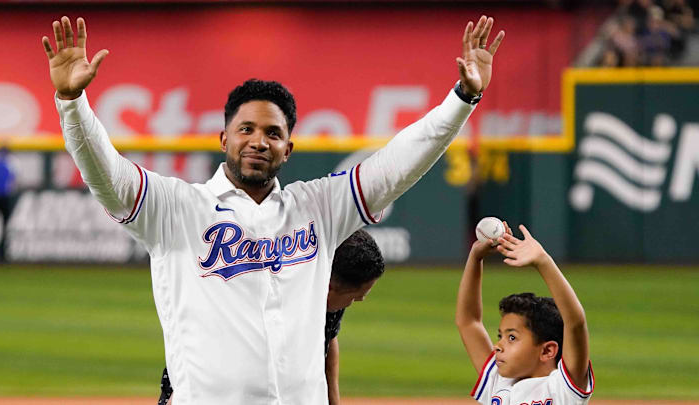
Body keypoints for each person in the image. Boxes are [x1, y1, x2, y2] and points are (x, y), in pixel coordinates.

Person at [42, 15, 504, 404]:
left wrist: (462, 99)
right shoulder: (176, 208)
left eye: (272, 132)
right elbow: (106, 174)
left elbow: (396, 166)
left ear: (288, 148)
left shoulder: (319, 208)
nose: (258, 140)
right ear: (224, 139)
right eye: (245, 129)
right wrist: (72, 103)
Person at [158, 229, 385, 405]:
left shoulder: (330, 287)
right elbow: (205, 341)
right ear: (328, 288)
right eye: (356, 297)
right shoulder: (265, 298)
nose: (359, 301)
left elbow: (327, 340)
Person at [455, 223, 594, 404]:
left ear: (547, 350)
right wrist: (475, 257)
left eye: (511, 337)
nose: (498, 346)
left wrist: (543, 262)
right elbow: (468, 321)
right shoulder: (498, 381)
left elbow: (575, 322)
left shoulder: (561, 388)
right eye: (500, 336)